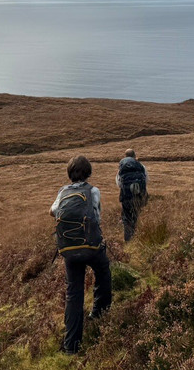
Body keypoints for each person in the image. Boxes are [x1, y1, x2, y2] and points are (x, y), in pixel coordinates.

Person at [50, 155, 112, 354]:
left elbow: (52, 211)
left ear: (69, 173)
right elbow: (97, 216)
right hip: (91, 247)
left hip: (69, 249)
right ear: (89, 172)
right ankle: (100, 313)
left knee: (73, 294)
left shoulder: (63, 192)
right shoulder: (93, 191)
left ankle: (71, 345)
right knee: (103, 271)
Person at [116, 148, 148, 242]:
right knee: (138, 217)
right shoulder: (141, 166)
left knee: (127, 219)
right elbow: (146, 181)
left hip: (126, 197)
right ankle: (140, 239)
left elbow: (119, 184)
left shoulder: (122, 168)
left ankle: (129, 242)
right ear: (135, 155)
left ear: (125, 156)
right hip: (139, 197)